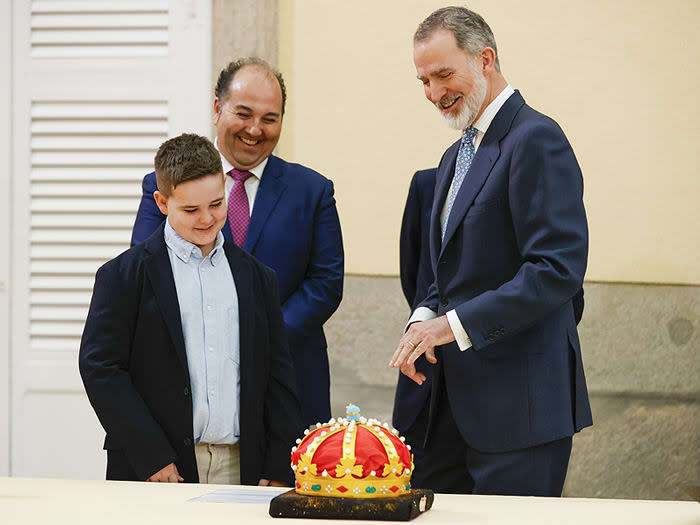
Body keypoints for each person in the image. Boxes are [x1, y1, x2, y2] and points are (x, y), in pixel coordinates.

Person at [390, 7, 592, 496]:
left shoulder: (536, 138)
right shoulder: (454, 153)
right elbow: (445, 273)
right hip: (446, 409)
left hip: (520, 411)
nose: (435, 94)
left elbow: (556, 269)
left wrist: (452, 326)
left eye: (443, 74)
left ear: (485, 59)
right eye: (423, 81)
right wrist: (421, 321)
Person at [131, 58, 344, 429]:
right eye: (243, 113)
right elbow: (148, 274)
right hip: (189, 387)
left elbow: (325, 284)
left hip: (288, 382)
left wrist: (262, 335)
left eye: (269, 118)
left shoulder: (313, 191)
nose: (255, 130)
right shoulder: (164, 185)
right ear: (217, 108)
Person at [80, 133, 302, 485]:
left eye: (216, 204)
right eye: (191, 209)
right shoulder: (121, 276)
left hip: (241, 464)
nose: (207, 219)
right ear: (162, 202)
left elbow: (278, 375)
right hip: (156, 466)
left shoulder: (258, 278)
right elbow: (101, 369)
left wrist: (278, 463)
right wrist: (151, 457)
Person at [392, 167, 436, 488]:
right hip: (428, 392)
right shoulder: (428, 184)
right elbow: (415, 279)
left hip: (506, 404)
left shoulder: (530, 189)